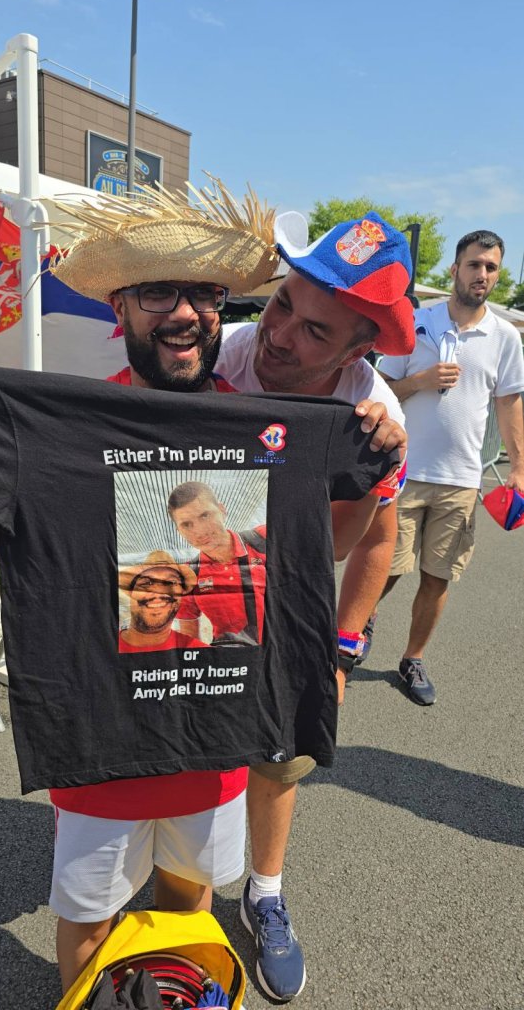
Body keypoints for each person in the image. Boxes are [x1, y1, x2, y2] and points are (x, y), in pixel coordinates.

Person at [0, 179, 408, 999]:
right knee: (89, 920)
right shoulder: (60, 423)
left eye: (203, 294)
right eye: (157, 292)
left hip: (217, 739)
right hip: (99, 745)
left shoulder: (265, 421)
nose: (185, 313)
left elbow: (327, 547)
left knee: (187, 907)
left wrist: (373, 467)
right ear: (119, 307)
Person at [214, 211, 415, 1000]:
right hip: (197, 578)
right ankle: (170, 879)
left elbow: (362, 545)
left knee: (281, 751)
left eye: (314, 330)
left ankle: (263, 892)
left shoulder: (374, 416)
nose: (280, 334)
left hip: (287, 600)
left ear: (357, 349)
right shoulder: (216, 358)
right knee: (178, 732)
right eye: (281, 304)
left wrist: (343, 646)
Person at [374, 229, 524, 706]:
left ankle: (413, 658)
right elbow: (379, 390)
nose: (483, 274)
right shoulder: (416, 322)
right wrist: (419, 380)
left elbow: (508, 405)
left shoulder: (504, 337)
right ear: (456, 269)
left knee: (438, 576)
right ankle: (355, 629)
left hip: (461, 479)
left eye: (491, 267)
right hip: (404, 470)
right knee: (385, 569)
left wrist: (520, 468)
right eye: (475, 264)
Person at [167, 480, 266, 646]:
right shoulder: (187, 576)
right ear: (179, 531)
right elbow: (189, 638)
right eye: (186, 524)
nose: (199, 531)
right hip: (234, 657)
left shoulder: (265, 537)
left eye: (205, 516)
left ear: (222, 510)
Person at [118, 550, 202, 652]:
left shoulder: (201, 654)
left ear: (181, 593)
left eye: (171, 582)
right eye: (147, 583)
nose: (159, 592)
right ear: (131, 591)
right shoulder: (102, 649)